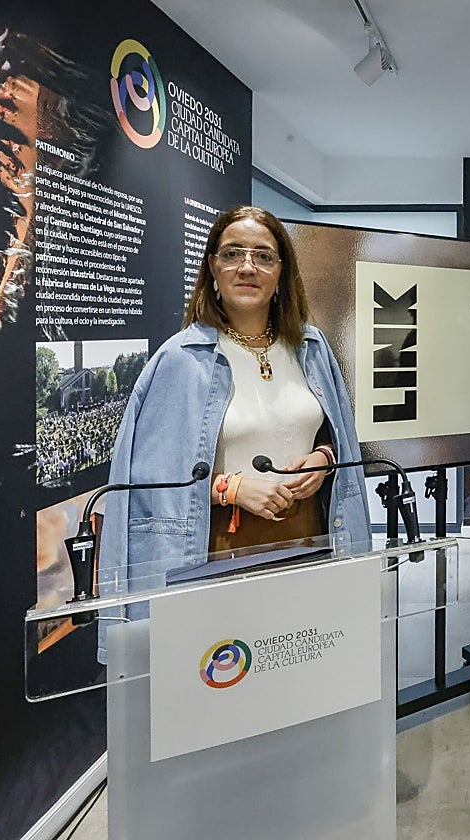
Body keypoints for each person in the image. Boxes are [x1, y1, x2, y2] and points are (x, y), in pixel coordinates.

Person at [99, 206, 370, 630]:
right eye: (232, 254)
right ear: (212, 267)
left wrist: (324, 459)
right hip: (222, 546)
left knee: (308, 671)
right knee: (230, 676)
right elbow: (148, 487)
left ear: (281, 271)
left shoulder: (312, 348)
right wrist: (231, 487)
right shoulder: (181, 360)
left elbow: (333, 435)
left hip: (312, 535)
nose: (248, 267)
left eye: (263, 255)